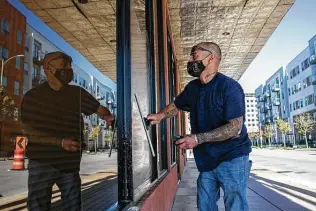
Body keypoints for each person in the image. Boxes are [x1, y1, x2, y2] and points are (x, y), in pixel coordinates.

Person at [147, 42, 252, 211]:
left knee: (235, 206)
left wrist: (197, 139)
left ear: (211, 58)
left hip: (232, 157)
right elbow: (176, 106)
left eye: (194, 56)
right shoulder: (193, 88)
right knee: (205, 205)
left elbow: (235, 128)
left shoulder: (230, 87)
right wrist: (160, 116)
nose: (189, 60)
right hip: (207, 159)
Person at [21, 51, 114, 211]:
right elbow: (28, 131)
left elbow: (100, 110)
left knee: (74, 207)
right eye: (64, 65)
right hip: (42, 162)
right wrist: (60, 142)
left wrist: (108, 116)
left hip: (69, 165)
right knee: (38, 207)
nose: (68, 70)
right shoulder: (33, 96)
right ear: (47, 68)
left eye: (70, 66)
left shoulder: (77, 93)